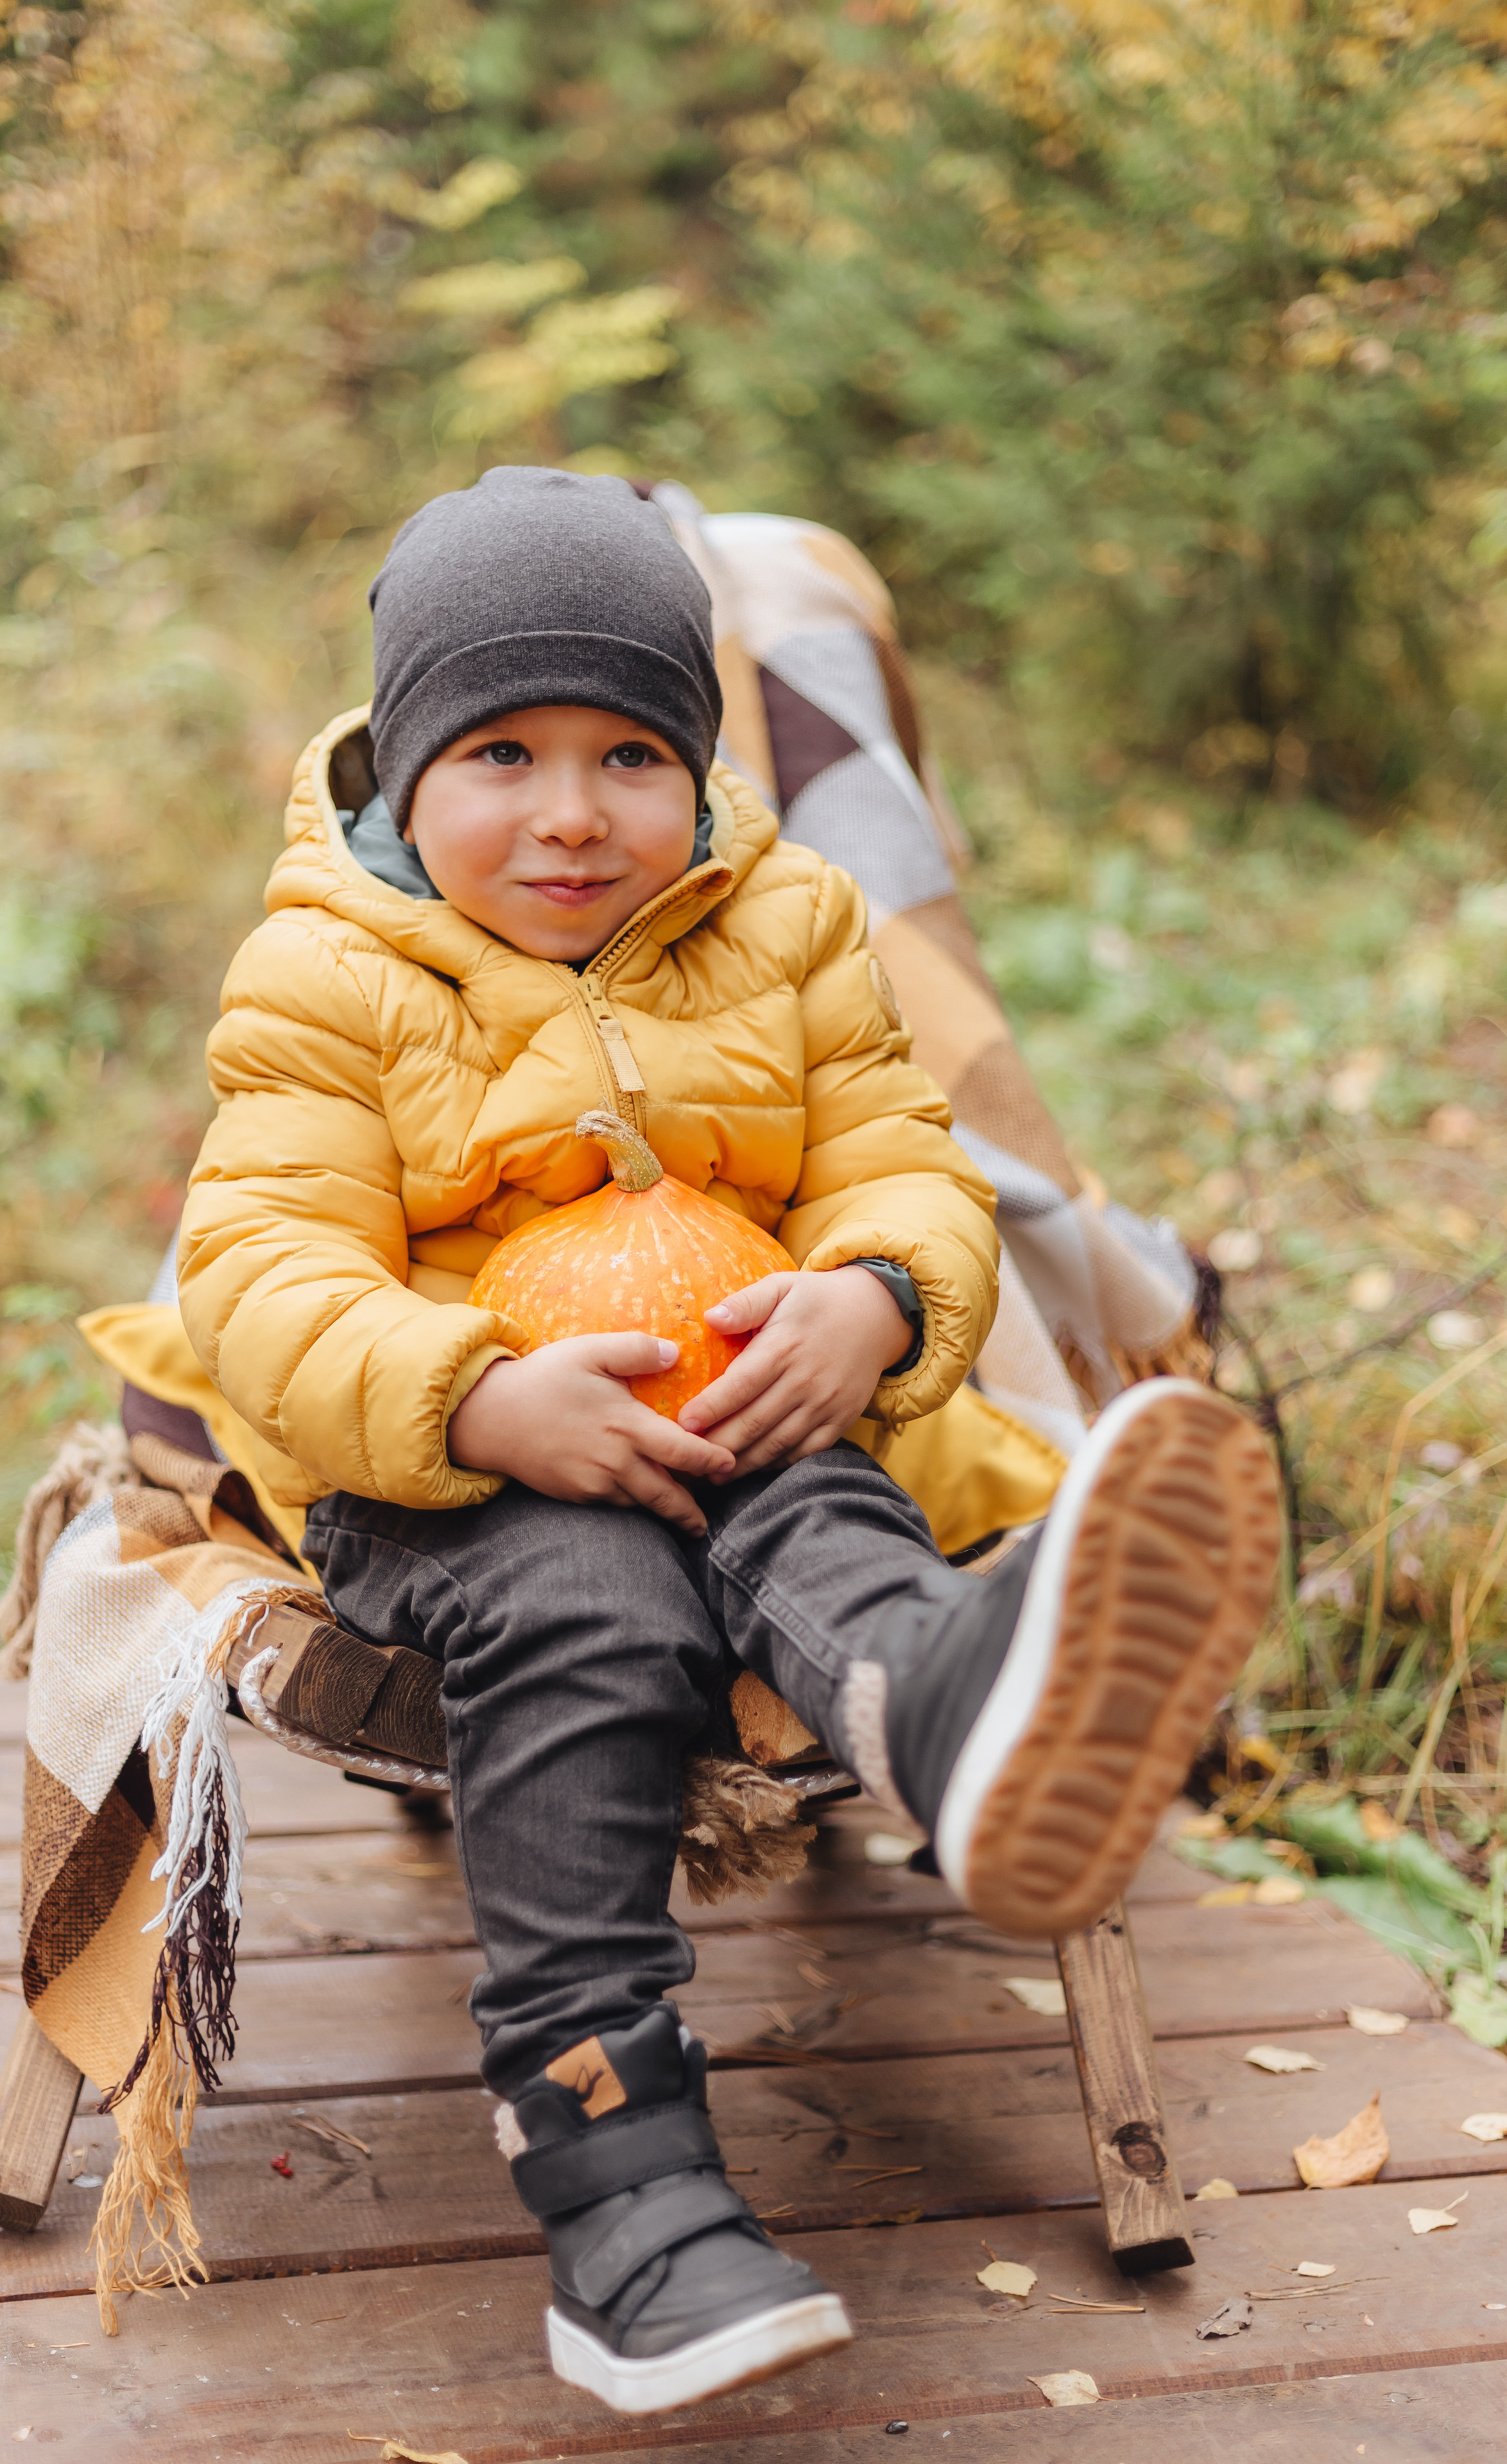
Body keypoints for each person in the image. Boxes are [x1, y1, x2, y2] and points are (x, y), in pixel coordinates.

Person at [177, 466, 1279, 2417]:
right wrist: (468, 1393)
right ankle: (621, 2192)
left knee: (828, 1517)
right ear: (403, 772)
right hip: (446, 1478)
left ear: (697, 761)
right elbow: (256, 1273)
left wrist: (874, 1294)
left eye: (630, 753)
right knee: (598, 1614)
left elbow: (903, 1162)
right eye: (502, 752)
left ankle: (955, 1712)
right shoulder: (328, 971)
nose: (575, 811)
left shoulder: (784, 925)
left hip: (736, 1403)